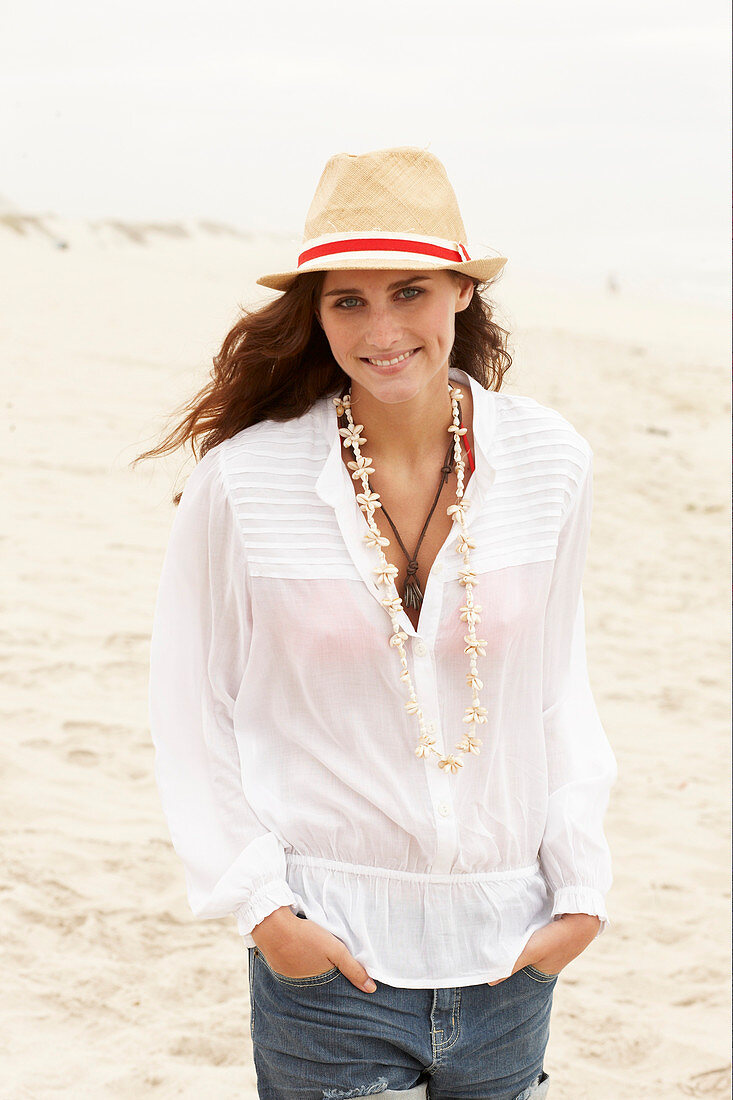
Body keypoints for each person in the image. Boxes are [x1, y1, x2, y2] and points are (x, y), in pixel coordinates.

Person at [142, 146, 617, 1100]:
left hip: (508, 955)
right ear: (314, 315)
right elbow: (194, 711)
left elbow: (556, 687)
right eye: (346, 300)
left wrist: (579, 893)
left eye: (408, 291)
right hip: (329, 958)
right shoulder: (245, 481)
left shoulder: (549, 462)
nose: (381, 328)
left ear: (460, 295)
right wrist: (265, 912)